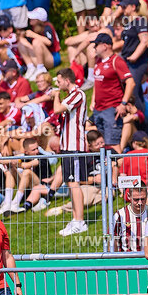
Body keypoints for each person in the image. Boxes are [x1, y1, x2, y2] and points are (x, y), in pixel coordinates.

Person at [53, 68, 90, 237]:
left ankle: (80, 221)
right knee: (70, 183)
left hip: (75, 145)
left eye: (59, 81)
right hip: (67, 146)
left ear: (67, 80)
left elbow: (57, 109)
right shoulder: (70, 95)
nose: (58, 85)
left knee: (74, 183)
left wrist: (55, 96)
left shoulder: (78, 94)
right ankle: (75, 219)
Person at [91, 33, 135, 151]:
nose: (94, 48)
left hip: (111, 109)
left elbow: (130, 82)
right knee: (102, 145)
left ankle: (118, 162)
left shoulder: (116, 61)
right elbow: (97, 82)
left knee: (113, 144)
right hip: (98, 109)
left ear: (105, 46)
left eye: (96, 45)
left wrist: (123, 103)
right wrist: (93, 100)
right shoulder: (98, 61)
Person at [119, 0, 148, 118]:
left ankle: (141, 118)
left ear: (133, 7)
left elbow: (144, 41)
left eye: (124, 6)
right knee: (133, 90)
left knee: (133, 91)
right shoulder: (129, 23)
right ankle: (140, 117)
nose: (122, 9)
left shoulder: (140, 21)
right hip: (127, 61)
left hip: (137, 62)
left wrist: (134, 56)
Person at [112, 182, 148, 252]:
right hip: (126, 257)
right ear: (129, 196)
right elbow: (112, 240)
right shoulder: (120, 215)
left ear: (147, 195)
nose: (140, 203)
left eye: (143, 199)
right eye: (136, 199)